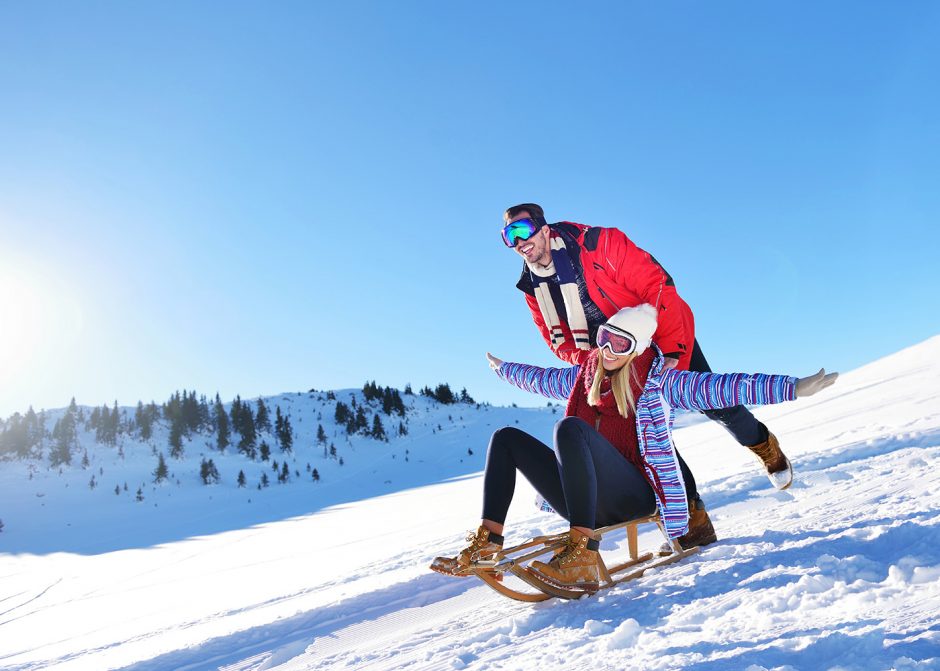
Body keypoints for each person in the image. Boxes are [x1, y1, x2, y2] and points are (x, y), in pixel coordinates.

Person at [430, 304, 837, 592]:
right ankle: (489, 542)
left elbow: (721, 386)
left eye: (620, 346)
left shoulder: (659, 383)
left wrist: (794, 387)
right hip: (584, 498)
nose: (608, 351)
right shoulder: (584, 375)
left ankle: (584, 554)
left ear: (637, 350)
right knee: (506, 438)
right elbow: (537, 378)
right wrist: (503, 369)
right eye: (605, 339)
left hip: (634, 495)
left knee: (569, 429)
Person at [500, 202, 795, 490]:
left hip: (659, 333)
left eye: (523, 229)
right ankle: (692, 517)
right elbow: (558, 340)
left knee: (711, 401)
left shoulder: (598, 244)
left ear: (544, 227)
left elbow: (656, 284)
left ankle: (764, 445)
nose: (519, 241)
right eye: (509, 236)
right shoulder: (532, 287)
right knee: (645, 435)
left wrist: (671, 347)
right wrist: (593, 361)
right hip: (614, 356)